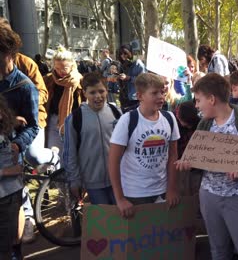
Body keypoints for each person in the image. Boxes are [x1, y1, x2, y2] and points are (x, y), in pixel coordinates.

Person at [175, 73, 238, 260]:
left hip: (237, 198)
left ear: (212, 99)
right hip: (208, 196)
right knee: (218, 250)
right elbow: (196, 157)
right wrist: (188, 163)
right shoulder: (204, 123)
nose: (197, 106)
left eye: (199, 100)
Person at [108, 73, 180, 218]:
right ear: (140, 96)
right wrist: (120, 199)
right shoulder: (127, 120)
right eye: (154, 93)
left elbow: (173, 155)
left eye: (162, 92)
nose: (160, 96)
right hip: (134, 194)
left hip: (161, 191)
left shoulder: (169, 118)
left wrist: (171, 189)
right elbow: (113, 161)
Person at [0, 27, 40, 260]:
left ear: (9, 53)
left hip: (11, 155)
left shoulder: (25, 86)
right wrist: (8, 120)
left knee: (12, 205)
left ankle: (16, 250)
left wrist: (18, 144)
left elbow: (34, 126)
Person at [63, 72, 120, 205]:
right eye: (92, 92)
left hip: (118, 179)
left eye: (101, 91)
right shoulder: (75, 118)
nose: (98, 96)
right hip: (93, 182)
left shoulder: (116, 113)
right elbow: (70, 152)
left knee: (120, 218)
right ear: (85, 93)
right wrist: (75, 180)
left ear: (107, 91)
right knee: (104, 219)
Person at [44, 46, 83, 151]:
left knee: (73, 155)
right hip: (53, 122)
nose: (60, 72)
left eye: (64, 68)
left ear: (72, 65)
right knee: (53, 155)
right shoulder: (48, 79)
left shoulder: (80, 80)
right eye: (57, 68)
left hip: (75, 122)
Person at [0, 95, 25, 260]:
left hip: (11, 192)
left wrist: (13, 151)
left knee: (8, 244)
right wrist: (9, 171)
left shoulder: (3, 131)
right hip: (4, 196)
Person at [117, 44, 146, 111]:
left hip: (134, 98)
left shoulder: (138, 64)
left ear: (130, 52)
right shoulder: (122, 64)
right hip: (124, 97)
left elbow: (144, 81)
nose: (123, 56)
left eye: (125, 53)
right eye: (121, 54)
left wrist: (129, 78)